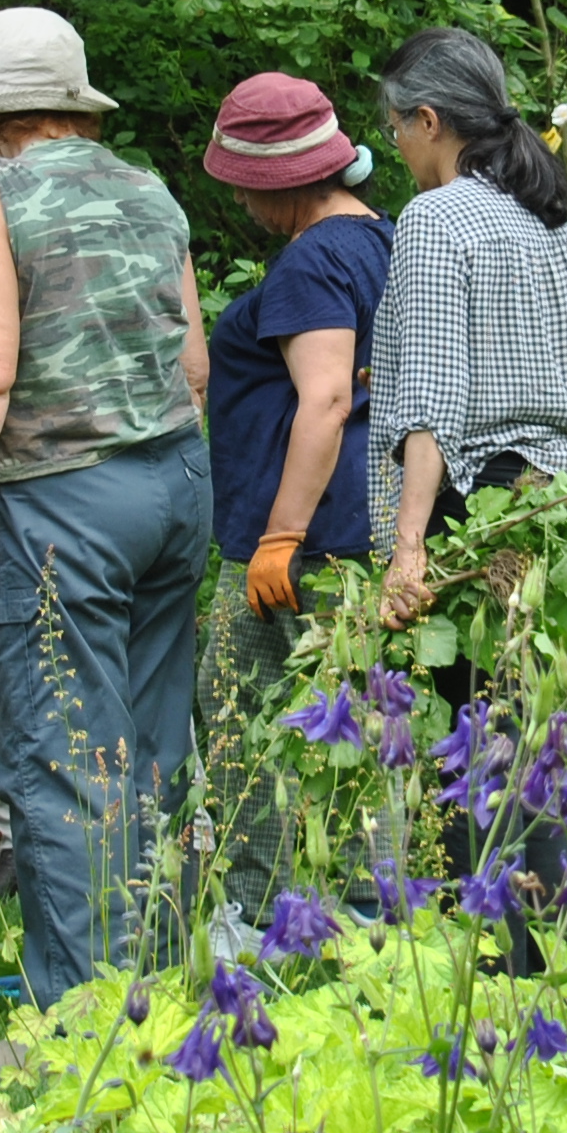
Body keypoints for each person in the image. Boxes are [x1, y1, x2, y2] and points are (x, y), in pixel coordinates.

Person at [0, 7, 212, 1045]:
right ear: (74, 109)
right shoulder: (151, 191)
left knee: (62, 753)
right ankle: (161, 996)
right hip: (173, 485)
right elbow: (194, 368)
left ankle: (77, 1032)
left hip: (58, 501)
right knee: (153, 746)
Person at [192, 73, 392, 927]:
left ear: (272, 182)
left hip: (306, 547)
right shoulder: (381, 239)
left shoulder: (313, 259)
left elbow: (325, 399)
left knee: (247, 721)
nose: (239, 201)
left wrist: (279, 537)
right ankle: (370, 921)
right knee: (351, 731)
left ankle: (268, 919)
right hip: (363, 527)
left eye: (242, 186)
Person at [368, 26, 567, 625]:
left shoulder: (434, 218)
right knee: (544, 711)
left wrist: (407, 550)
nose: (395, 144)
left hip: (490, 504)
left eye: (393, 127)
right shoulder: (550, 217)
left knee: (475, 714)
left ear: (428, 122)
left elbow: (433, 400)